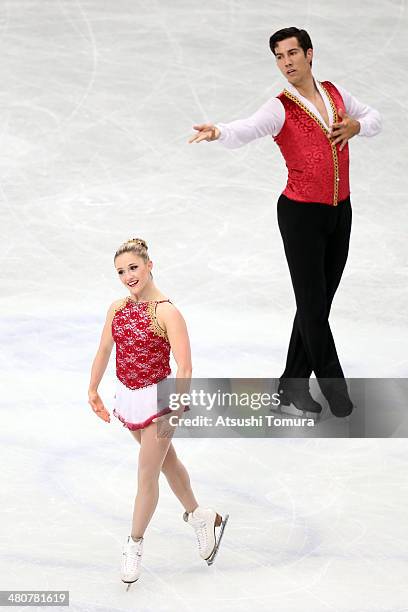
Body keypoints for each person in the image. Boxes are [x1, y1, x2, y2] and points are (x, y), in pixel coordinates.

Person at [189, 27, 382, 418]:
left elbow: (375, 116)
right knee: (312, 306)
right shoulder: (281, 107)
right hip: (300, 216)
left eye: (292, 53)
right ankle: (336, 389)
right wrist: (219, 132)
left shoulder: (336, 94)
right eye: (279, 56)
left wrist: (357, 126)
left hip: (340, 211)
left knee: (317, 304)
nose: (286, 62)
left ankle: (289, 388)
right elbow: (247, 128)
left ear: (310, 54)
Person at [88, 238, 229, 586]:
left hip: (160, 402)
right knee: (167, 463)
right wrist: (92, 389)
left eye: (133, 268)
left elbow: (185, 365)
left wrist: (179, 404)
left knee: (146, 473)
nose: (127, 276)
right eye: (121, 272)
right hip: (130, 399)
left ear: (149, 265)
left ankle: (134, 544)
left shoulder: (167, 311)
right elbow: (105, 348)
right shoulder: (117, 308)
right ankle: (201, 516)